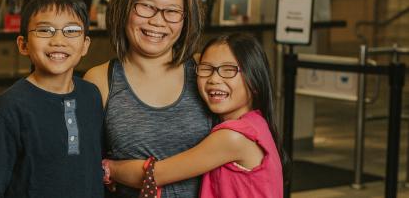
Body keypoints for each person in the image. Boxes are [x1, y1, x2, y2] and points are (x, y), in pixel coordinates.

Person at [83, 0, 212, 197]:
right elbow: (88, 171)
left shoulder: (205, 69)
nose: (157, 21)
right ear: (125, 7)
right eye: (146, 7)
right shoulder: (100, 80)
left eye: (172, 11)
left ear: (186, 19)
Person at [104, 33, 287, 198]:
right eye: (206, 68)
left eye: (229, 70)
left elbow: (155, 175)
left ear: (254, 81)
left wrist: (109, 167)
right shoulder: (257, 123)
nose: (214, 79)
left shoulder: (233, 137)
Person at [0, 0, 103, 198]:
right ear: (23, 44)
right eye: (45, 30)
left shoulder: (91, 96)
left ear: (85, 44)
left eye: (71, 30)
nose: (58, 40)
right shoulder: (9, 108)